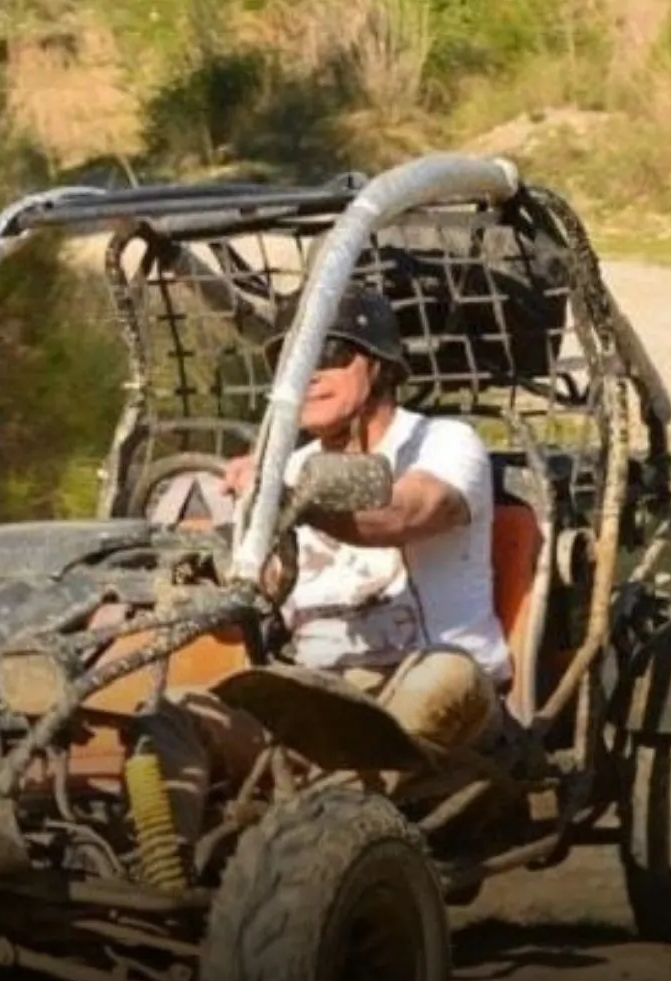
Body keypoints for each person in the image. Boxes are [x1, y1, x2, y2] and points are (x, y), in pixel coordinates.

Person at [138, 282, 527, 849]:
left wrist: (293, 499)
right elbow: (259, 595)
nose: (309, 375)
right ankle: (166, 870)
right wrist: (211, 575)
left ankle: (312, 831)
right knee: (172, 715)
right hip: (318, 700)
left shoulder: (443, 442)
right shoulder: (282, 470)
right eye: (291, 363)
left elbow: (409, 510)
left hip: (440, 688)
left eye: (329, 353)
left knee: (445, 675)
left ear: (378, 364)